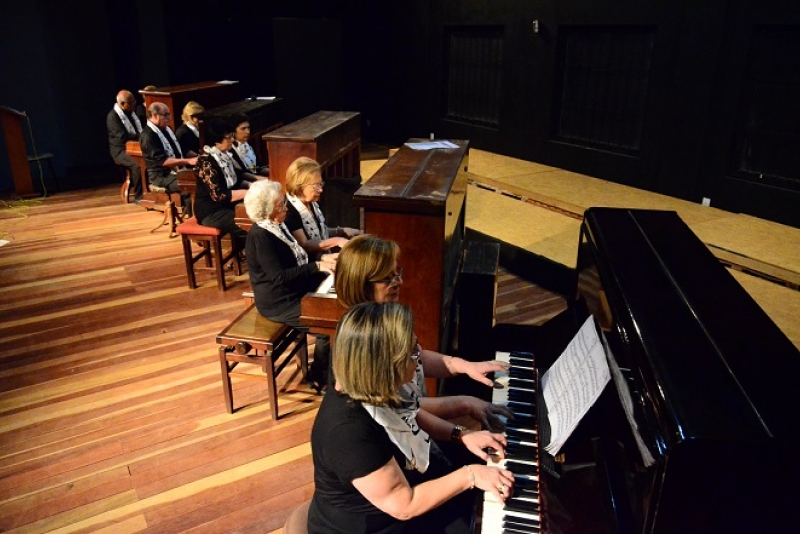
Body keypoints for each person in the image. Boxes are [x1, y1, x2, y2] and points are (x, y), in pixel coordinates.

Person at [308, 302, 514, 534]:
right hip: (370, 524)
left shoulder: (365, 380)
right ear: (384, 366)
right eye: (412, 353)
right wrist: (471, 475)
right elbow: (404, 504)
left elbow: (408, 415)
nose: (419, 358)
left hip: (400, 488)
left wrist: (460, 434)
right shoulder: (348, 433)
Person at [335, 234, 513, 436]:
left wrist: (464, 366)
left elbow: (418, 357)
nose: (399, 281)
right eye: (388, 278)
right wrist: (465, 407)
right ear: (360, 283)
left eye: (397, 272)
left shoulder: (388, 318)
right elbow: (402, 407)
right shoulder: (363, 339)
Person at [244, 180, 337, 392]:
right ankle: (318, 377)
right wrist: (318, 266)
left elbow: (297, 260)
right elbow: (279, 277)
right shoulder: (260, 236)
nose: (285, 208)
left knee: (338, 298)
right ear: (268, 211)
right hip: (279, 302)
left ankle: (338, 368)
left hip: (296, 288)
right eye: (280, 205)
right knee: (326, 329)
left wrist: (326, 265)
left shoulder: (277, 225)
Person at [284, 156, 362, 260]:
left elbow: (321, 231)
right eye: (316, 185)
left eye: (321, 184)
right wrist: (337, 241)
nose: (320, 189)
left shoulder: (311, 202)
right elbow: (305, 244)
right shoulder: (289, 210)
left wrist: (343, 230)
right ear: (300, 186)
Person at [193, 118, 248, 249]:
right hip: (211, 211)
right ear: (216, 141)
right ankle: (256, 263)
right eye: (228, 138)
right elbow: (219, 195)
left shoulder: (225, 155)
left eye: (232, 136)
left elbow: (237, 180)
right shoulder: (206, 162)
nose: (232, 140)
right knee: (250, 225)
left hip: (227, 206)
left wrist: (256, 184)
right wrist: (249, 192)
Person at [140, 102, 197, 214]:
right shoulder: (148, 136)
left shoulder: (167, 129)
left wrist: (198, 156)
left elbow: (180, 150)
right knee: (190, 185)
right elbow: (163, 161)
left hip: (176, 170)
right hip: (161, 175)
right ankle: (193, 219)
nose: (169, 118)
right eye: (165, 115)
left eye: (169, 114)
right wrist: (188, 161)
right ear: (154, 115)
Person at [106, 90, 144, 203]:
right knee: (137, 165)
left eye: (134, 102)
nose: (134, 105)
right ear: (122, 104)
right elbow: (122, 137)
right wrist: (141, 137)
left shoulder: (131, 113)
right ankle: (139, 196)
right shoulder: (113, 117)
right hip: (120, 150)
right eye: (131, 103)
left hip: (134, 147)